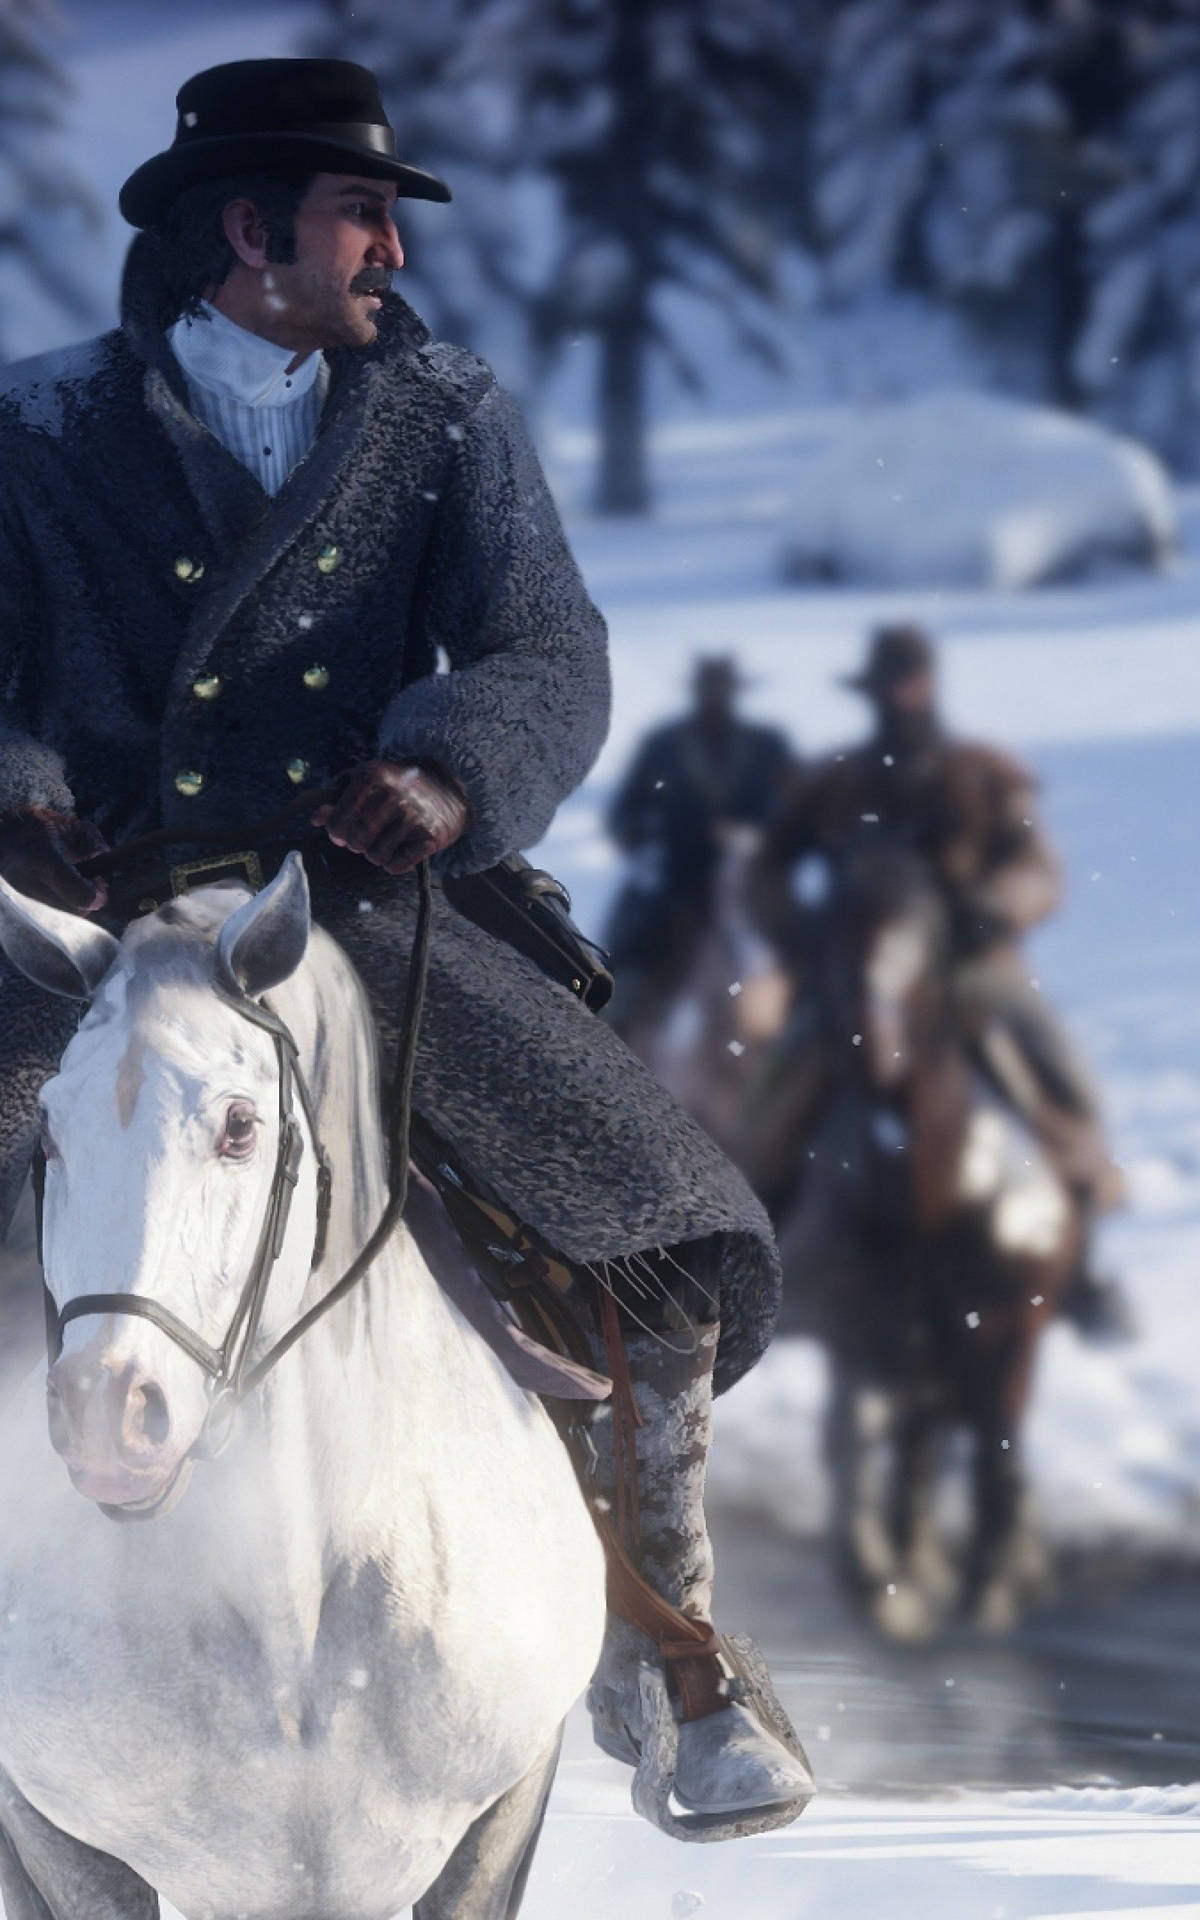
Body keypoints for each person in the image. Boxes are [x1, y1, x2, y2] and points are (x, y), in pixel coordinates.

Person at [0, 60, 812, 1818]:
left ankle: (671, 1657)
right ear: (249, 229)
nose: (385, 247)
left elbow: (547, 654)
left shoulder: (443, 409)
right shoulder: (36, 424)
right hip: (77, 909)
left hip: (350, 899)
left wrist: (446, 779)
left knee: (651, 1231)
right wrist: (21, 792)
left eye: (381, 219)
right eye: (362, 213)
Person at [748, 624, 1126, 1314]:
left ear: (927, 685)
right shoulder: (835, 779)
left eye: (909, 679)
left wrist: (998, 906)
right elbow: (767, 869)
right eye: (889, 681)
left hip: (969, 968)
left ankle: (1082, 1239)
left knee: (1049, 1067)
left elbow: (1038, 869)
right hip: (852, 971)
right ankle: (751, 1249)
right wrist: (796, 931)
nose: (899, 693)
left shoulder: (982, 773)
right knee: (776, 1086)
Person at [605, 655, 793, 1040]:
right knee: (628, 951)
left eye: (722, 692)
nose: (715, 700)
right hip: (678, 881)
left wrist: (753, 836)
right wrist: (652, 833)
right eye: (709, 691)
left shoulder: (768, 747)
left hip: (752, 881)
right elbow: (624, 815)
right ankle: (611, 1031)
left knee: (808, 946)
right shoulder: (663, 746)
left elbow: (794, 816)